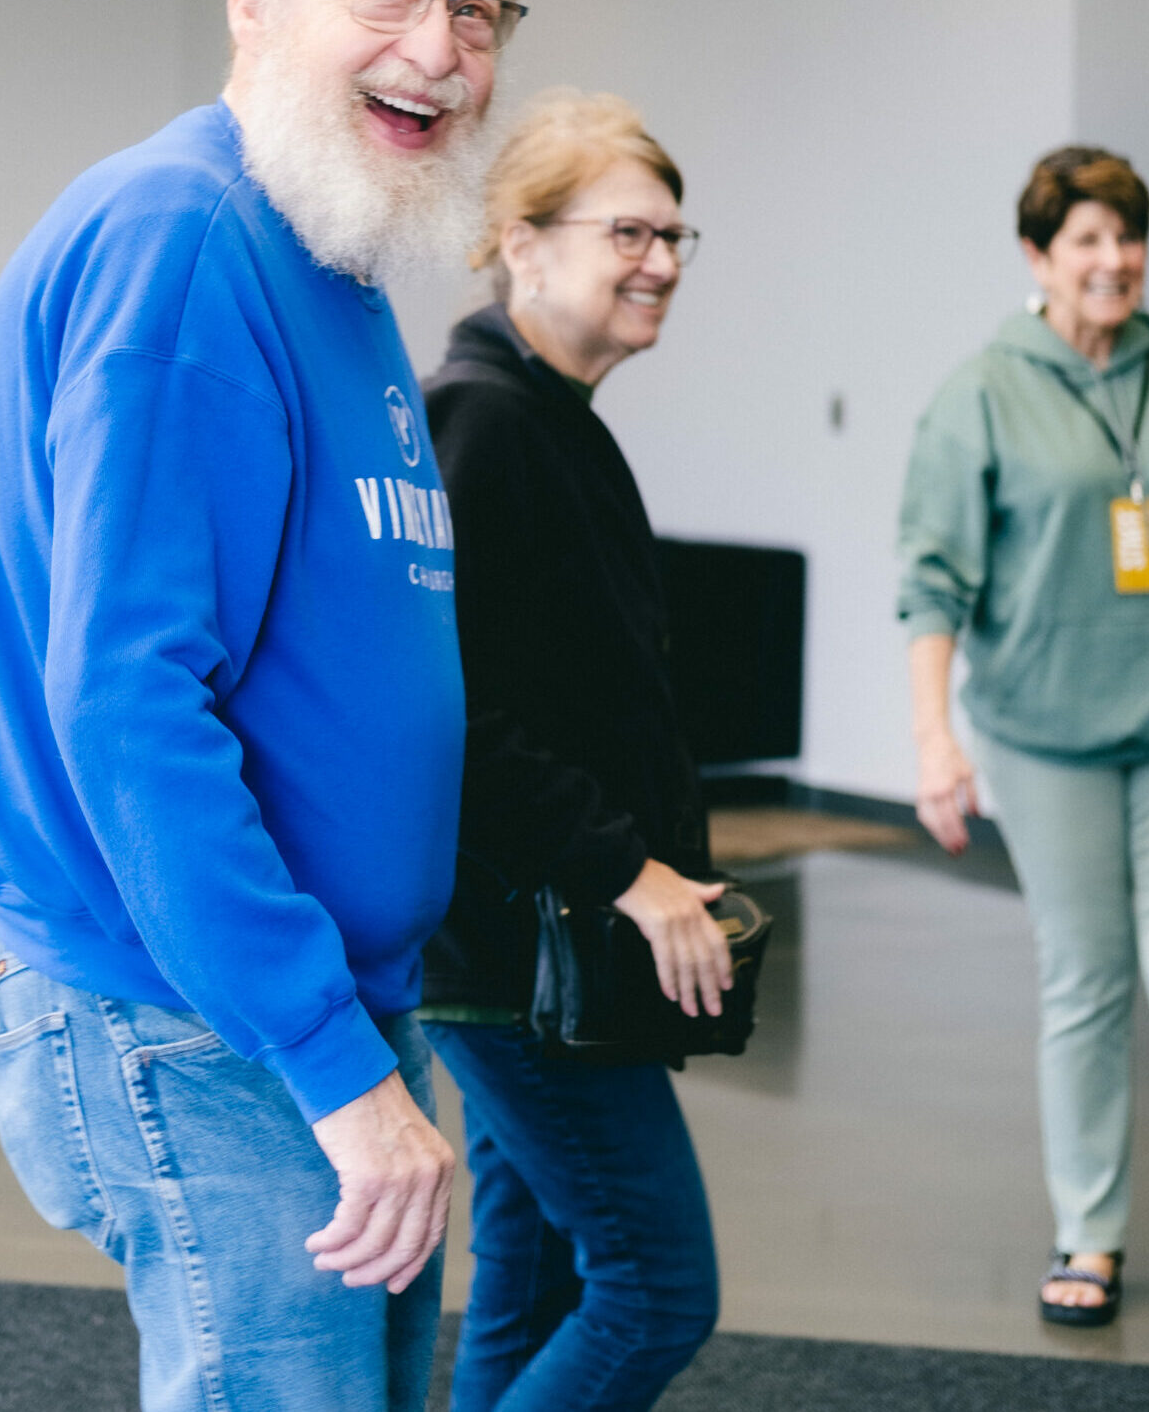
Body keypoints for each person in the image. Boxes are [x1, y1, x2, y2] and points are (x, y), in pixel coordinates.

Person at [0, 0, 531, 1411]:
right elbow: (130, 702)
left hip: (309, 1002)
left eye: (474, 9)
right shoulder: (188, 240)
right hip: (199, 1014)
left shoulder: (329, 254)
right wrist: (333, 1066)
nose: (438, 47)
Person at [899, 146, 1149, 1333]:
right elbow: (928, 584)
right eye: (1084, 238)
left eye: (1125, 236)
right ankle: (1089, 1228)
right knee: (1084, 978)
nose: (1111, 259)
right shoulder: (980, 390)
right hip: (1042, 735)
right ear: (1036, 256)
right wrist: (935, 740)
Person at [418, 89, 723, 1411]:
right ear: (518, 238)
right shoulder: (482, 420)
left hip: (522, 946)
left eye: (673, 234)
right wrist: (632, 870)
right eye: (628, 230)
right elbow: (458, 719)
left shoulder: (555, 418)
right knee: (657, 1285)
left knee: (531, 1275)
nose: (658, 259)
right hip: (513, 951)